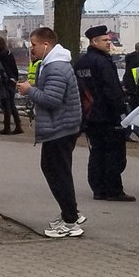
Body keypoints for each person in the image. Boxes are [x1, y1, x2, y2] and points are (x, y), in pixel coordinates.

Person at [14, 26, 84, 237]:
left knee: (56, 172)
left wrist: (30, 90)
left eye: (34, 45)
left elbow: (52, 100)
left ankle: (71, 221)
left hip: (59, 127)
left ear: (46, 45)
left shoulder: (55, 67)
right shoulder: (55, 64)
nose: (31, 49)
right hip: (63, 125)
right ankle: (70, 213)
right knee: (58, 170)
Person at [75, 25, 135, 201]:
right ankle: (113, 190)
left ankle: (98, 189)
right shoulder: (102, 62)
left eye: (109, 39)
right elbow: (112, 89)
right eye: (105, 40)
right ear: (94, 41)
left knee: (97, 152)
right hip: (107, 115)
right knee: (113, 154)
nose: (109, 43)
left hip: (89, 114)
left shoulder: (80, 63)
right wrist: (121, 112)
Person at [0, 33, 23, 134]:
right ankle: (17, 125)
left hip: (3, 81)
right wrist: (14, 79)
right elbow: (14, 68)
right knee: (11, 104)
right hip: (11, 80)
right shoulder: (8, 53)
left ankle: (7, 127)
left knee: (5, 104)